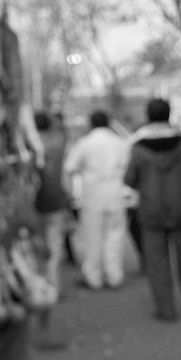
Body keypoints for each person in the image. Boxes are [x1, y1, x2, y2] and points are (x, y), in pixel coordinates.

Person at [124, 98, 181, 321]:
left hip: (151, 211)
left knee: (156, 261)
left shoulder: (138, 147)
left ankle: (166, 309)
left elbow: (129, 179)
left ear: (148, 115)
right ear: (169, 114)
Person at [63, 110, 130, 289]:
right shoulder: (119, 142)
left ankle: (94, 277)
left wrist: (70, 194)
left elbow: (69, 168)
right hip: (116, 193)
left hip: (93, 195)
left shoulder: (85, 143)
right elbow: (128, 167)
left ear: (90, 124)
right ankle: (114, 275)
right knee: (114, 235)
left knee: (92, 237)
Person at [32, 111, 68, 349]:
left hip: (35, 204)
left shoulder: (29, 145)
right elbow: (62, 130)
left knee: (38, 250)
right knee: (54, 247)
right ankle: (53, 286)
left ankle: (40, 290)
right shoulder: (59, 142)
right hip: (57, 201)